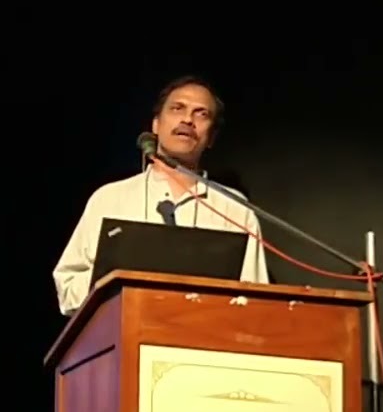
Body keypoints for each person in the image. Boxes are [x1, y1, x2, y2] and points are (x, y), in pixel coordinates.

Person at [51, 76, 269, 316]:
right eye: (177, 108)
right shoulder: (109, 199)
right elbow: (67, 288)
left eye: (201, 114)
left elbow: (255, 302)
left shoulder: (234, 208)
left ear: (212, 137)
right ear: (156, 124)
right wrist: (112, 280)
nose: (187, 120)